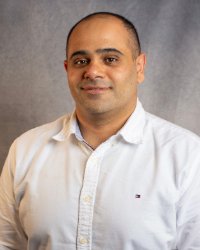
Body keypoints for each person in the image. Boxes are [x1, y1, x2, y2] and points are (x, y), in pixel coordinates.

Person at [0, 11, 200, 250]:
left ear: (139, 67)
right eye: (81, 61)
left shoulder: (186, 154)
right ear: (67, 69)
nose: (93, 72)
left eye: (110, 59)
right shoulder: (25, 150)